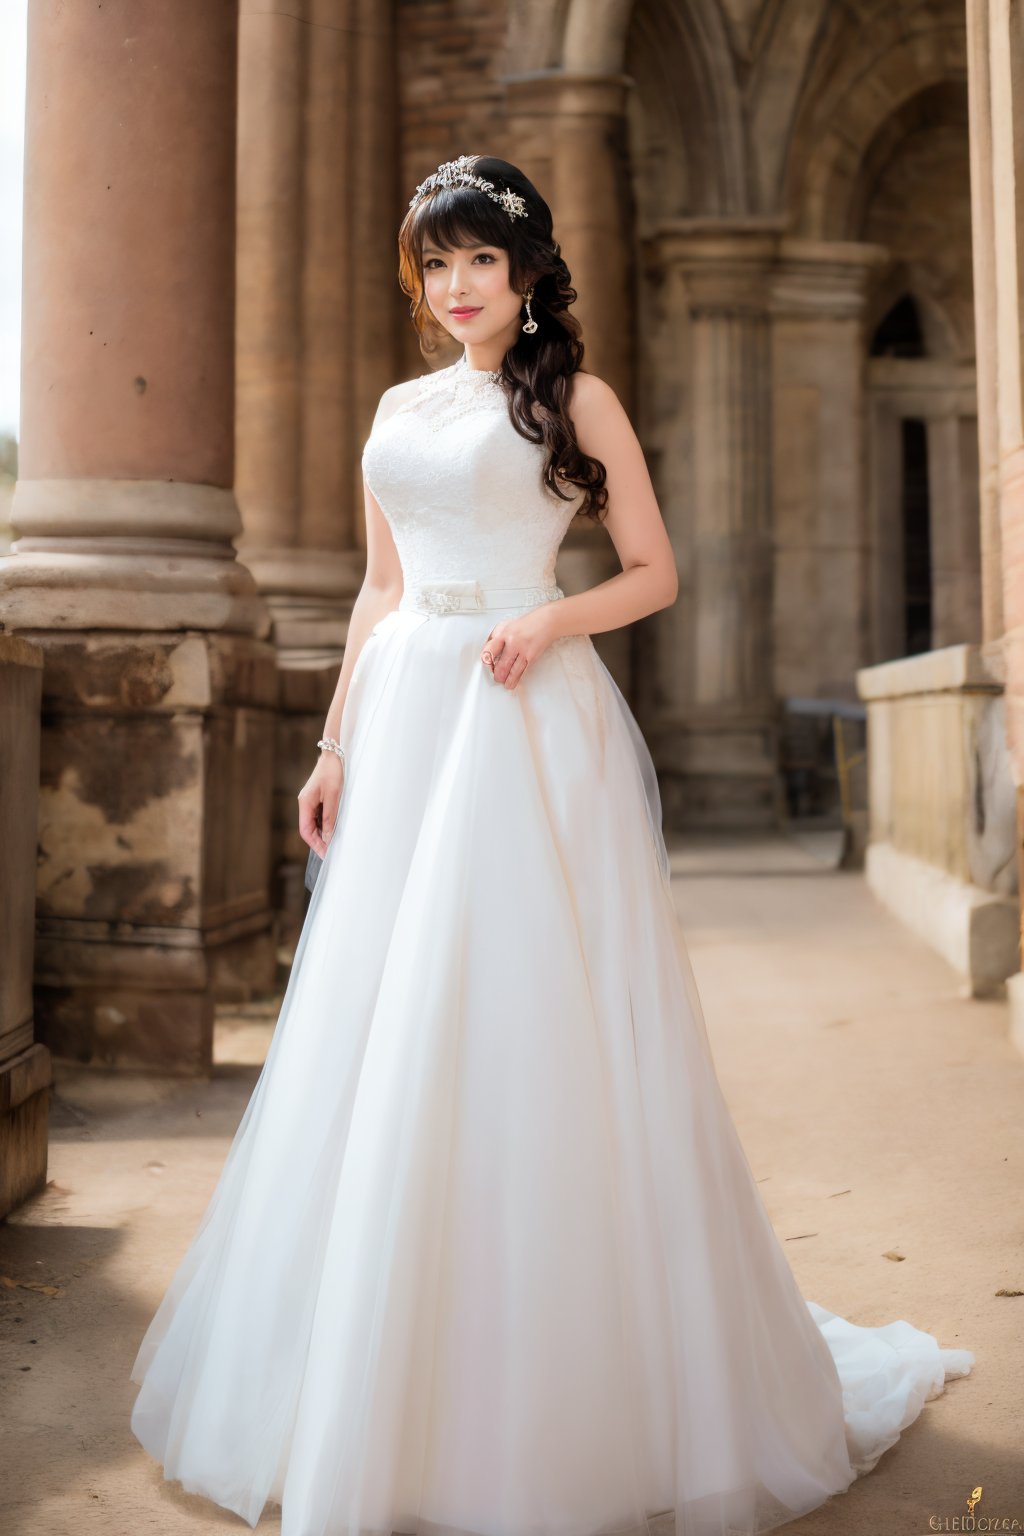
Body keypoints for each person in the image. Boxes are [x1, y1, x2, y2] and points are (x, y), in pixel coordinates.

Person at [129, 154, 974, 1536]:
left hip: (521, 717)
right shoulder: (400, 408)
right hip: (406, 717)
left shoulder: (573, 398)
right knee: (384, 1019)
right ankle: (367, 1371)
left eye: (481, 261)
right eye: (437, 264)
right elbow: (377, 588)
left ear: (526, 273)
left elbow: (655, 570)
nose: (459, 287)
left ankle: (551, 1384)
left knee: (523, 1015)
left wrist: (548, 617)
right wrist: (334, 743)